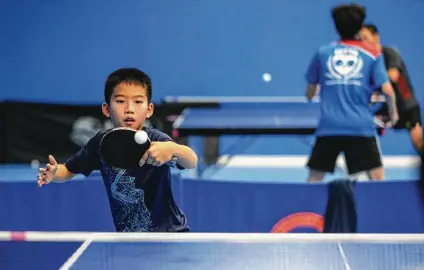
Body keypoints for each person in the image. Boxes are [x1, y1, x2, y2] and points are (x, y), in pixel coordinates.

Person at [36, 68, 198, 232]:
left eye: (138, 102)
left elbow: (191, 161)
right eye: (120, 101)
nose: (129, 109)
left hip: (171, 235)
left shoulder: (156, 139)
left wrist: (171, 148)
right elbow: (68, 170)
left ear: (149, 109)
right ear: (106, 109)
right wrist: (54, 173)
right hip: (129, 240)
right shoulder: (100, 143)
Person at [305, 4, 398, 182]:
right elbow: (388, 91)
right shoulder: (372, 54)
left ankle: (307, 210)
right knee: (377, 180)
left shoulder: (323, 53)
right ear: (360, 27)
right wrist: (393, 115)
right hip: (360, 127)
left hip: (329, 126)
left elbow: (310, 92)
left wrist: (312, 94)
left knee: (314, 180)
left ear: (336, 27)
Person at [360, 23, 423, 153]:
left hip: (406, 105)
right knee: (363, 130)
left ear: (376, 37)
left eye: (365, 38)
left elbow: (393, 75)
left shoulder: (390, 53)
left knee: (418, 140)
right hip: (386, 108)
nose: (363, 42)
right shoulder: (368, 60)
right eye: (361, 39)